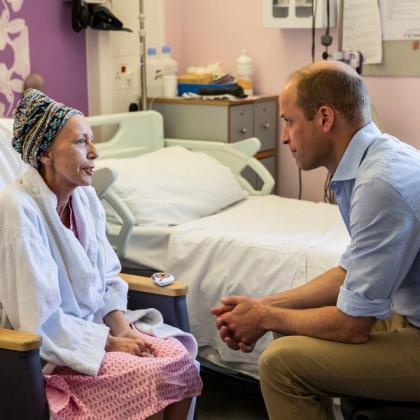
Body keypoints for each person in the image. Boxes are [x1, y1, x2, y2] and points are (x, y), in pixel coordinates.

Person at [211, 60, 420, 420]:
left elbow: (352, 327)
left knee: (280, 364)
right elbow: (348, 272)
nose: (284, 137)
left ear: (325, 119)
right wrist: (262, 307)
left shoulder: (379, 184)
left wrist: (265, 317)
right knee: (287, 323)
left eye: (289, 121)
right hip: (411, 315)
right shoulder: (375, 161)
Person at [0, 89, 202, 419]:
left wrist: (122, 330)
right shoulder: (18, 208)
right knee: (150, 376)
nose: (94, 152)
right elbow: (37, 317)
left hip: (96, 328)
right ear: (46, 153)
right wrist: (108, 343)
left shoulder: (85, 198)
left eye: (91, 140)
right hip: (57, 347)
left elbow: (107, 276)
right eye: (81, 142)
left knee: (180, 360)